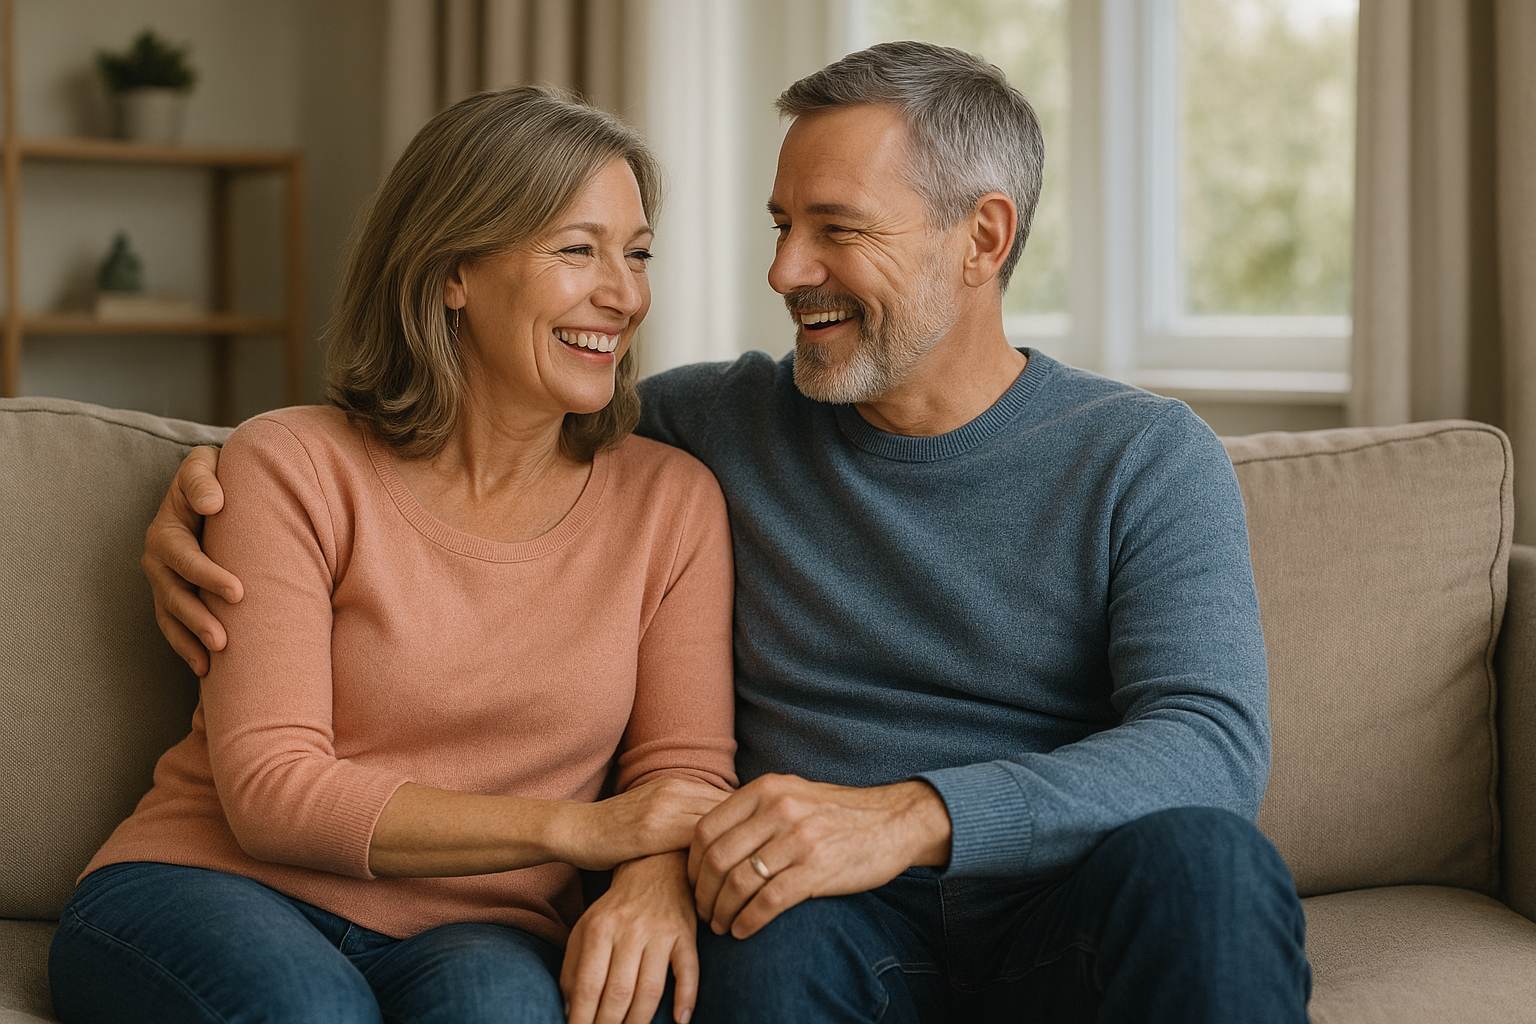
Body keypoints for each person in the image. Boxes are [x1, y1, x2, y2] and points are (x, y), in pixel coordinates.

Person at [142, 42, 1312, 1023]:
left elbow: (1210, 744)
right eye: (781, 223)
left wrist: (906, 817)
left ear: (983, 237)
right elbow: (479, 420)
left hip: (1066, 904)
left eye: (835, 229)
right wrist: (198, 479)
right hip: (817, 924)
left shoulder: (1145, 456)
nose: (784, 271)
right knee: (744, 951)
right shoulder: (720, 424)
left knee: (1212, 864)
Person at [50, 87, 738, 1024]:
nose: (624, 294)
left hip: (485, 927)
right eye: (578, 250)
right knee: (309, 1011)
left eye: (638, 253)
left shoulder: (672, 501)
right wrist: (582, 831)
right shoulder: (291, 464)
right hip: (211, 884)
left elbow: (683, 770)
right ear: (454, 269)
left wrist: (651, 872)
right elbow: (271, 793)